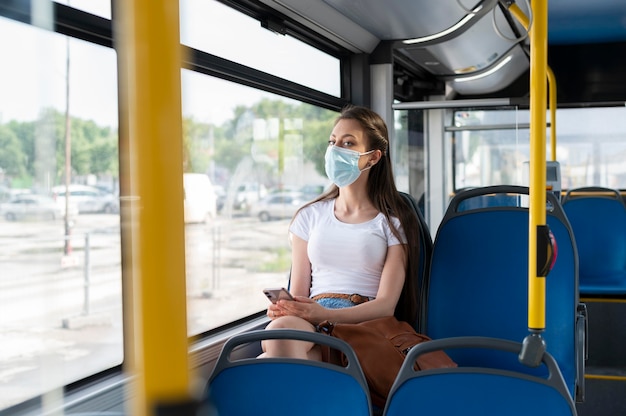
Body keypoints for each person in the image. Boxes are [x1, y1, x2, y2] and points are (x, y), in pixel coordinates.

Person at [260, 105, 421, 360]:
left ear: (372, 157)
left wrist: (324, 315)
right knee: (278, 331)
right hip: (314, 317)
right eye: (332, 142)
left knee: (268, 361)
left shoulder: (393, 222)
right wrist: (287, 308)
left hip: (362, 322)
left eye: (348, 143)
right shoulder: (309, 215)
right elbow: (301, 294)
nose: (335, 150)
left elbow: (386, 306)